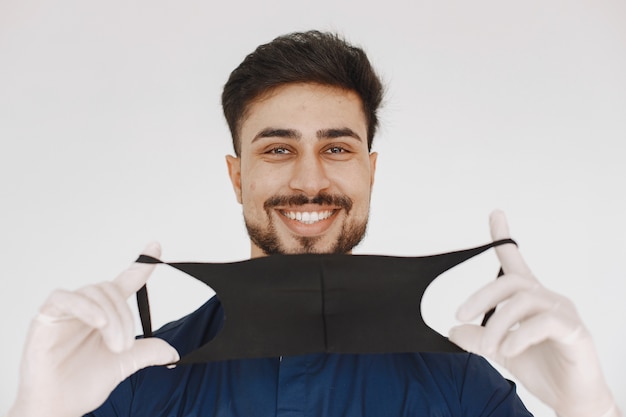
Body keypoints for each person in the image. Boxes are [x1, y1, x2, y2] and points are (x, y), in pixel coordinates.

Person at [7, 30, 620, 417]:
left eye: (337, 148)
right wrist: (41, 411)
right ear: (237, 176)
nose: (308, 180)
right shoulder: (141, 379)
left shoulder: (461, 387)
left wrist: (584, 403)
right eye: (277, 149)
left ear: (370, 172)